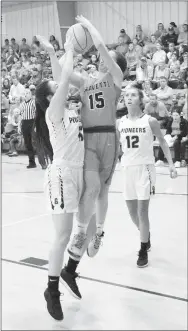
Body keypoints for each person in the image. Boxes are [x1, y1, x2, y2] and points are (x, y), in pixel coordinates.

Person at [36, 14, 127, 296]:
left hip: (109, 138)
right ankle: (82, 233)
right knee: (94, 188)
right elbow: (61, 72)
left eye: (107, 56)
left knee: (102, 192)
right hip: (89, 139)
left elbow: (104, 53)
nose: (101, 58)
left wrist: (92, 31)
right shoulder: (86, 81)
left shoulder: (115, 77)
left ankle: (96, 232)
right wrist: (59, 51)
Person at [35, 35, 84, 321]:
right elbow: (63, 78)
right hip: (62, 174)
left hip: (77, 171)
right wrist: (67, 51)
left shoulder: (64, 107)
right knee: (63, 234)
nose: (61, 86)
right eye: (56, 89)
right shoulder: (54, 112)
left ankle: (69, 271)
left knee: (84, 228)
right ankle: (51, 290)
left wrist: (54, 53)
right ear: (51, 97)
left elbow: (59, 78)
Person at [118, 85, 177, 267]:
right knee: (132, 212)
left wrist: (171, 165)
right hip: (127, 168)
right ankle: (146, 234)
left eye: (133, 95)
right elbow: (116, 149)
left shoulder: (150, 121)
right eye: (127, 95)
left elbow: (162, 142)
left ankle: (143, 248)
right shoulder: (120, 122)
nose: (129, 98)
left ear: (140, 99)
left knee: (143, 212)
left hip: (145, 168)